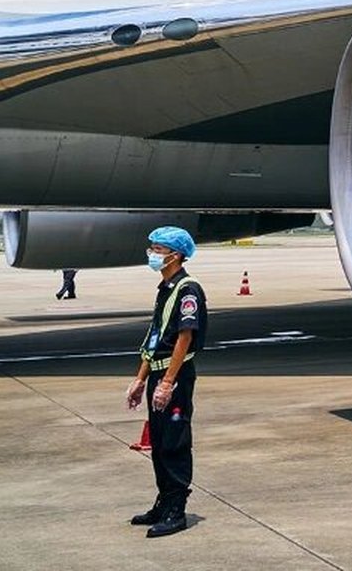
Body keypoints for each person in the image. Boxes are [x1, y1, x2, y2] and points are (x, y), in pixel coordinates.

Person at [124, 226, 206, 539]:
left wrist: (168, 382)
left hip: (176, 375)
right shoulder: (166, 288)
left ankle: (176, 510)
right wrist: (140, 379)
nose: (153, 254)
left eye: (158, 249)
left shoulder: (187, 289)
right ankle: (164, 500)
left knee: (174, 440)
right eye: (153, 248)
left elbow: (185, 337)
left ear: (177, 254)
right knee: (158, 442)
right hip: (158, 373)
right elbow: (155, 336)